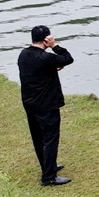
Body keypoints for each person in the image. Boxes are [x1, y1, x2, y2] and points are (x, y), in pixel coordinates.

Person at [17, 25, 74, 186]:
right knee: (50, 138)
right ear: (46, 39)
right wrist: (55, 46)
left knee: (38, 138)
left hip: (30, 103)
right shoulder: (46, 57)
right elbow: (68, 58)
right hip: (46, 105)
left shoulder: (24, 54)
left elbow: (37, 70)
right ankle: (49, 176)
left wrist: (52, 68)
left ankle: (48, 166)